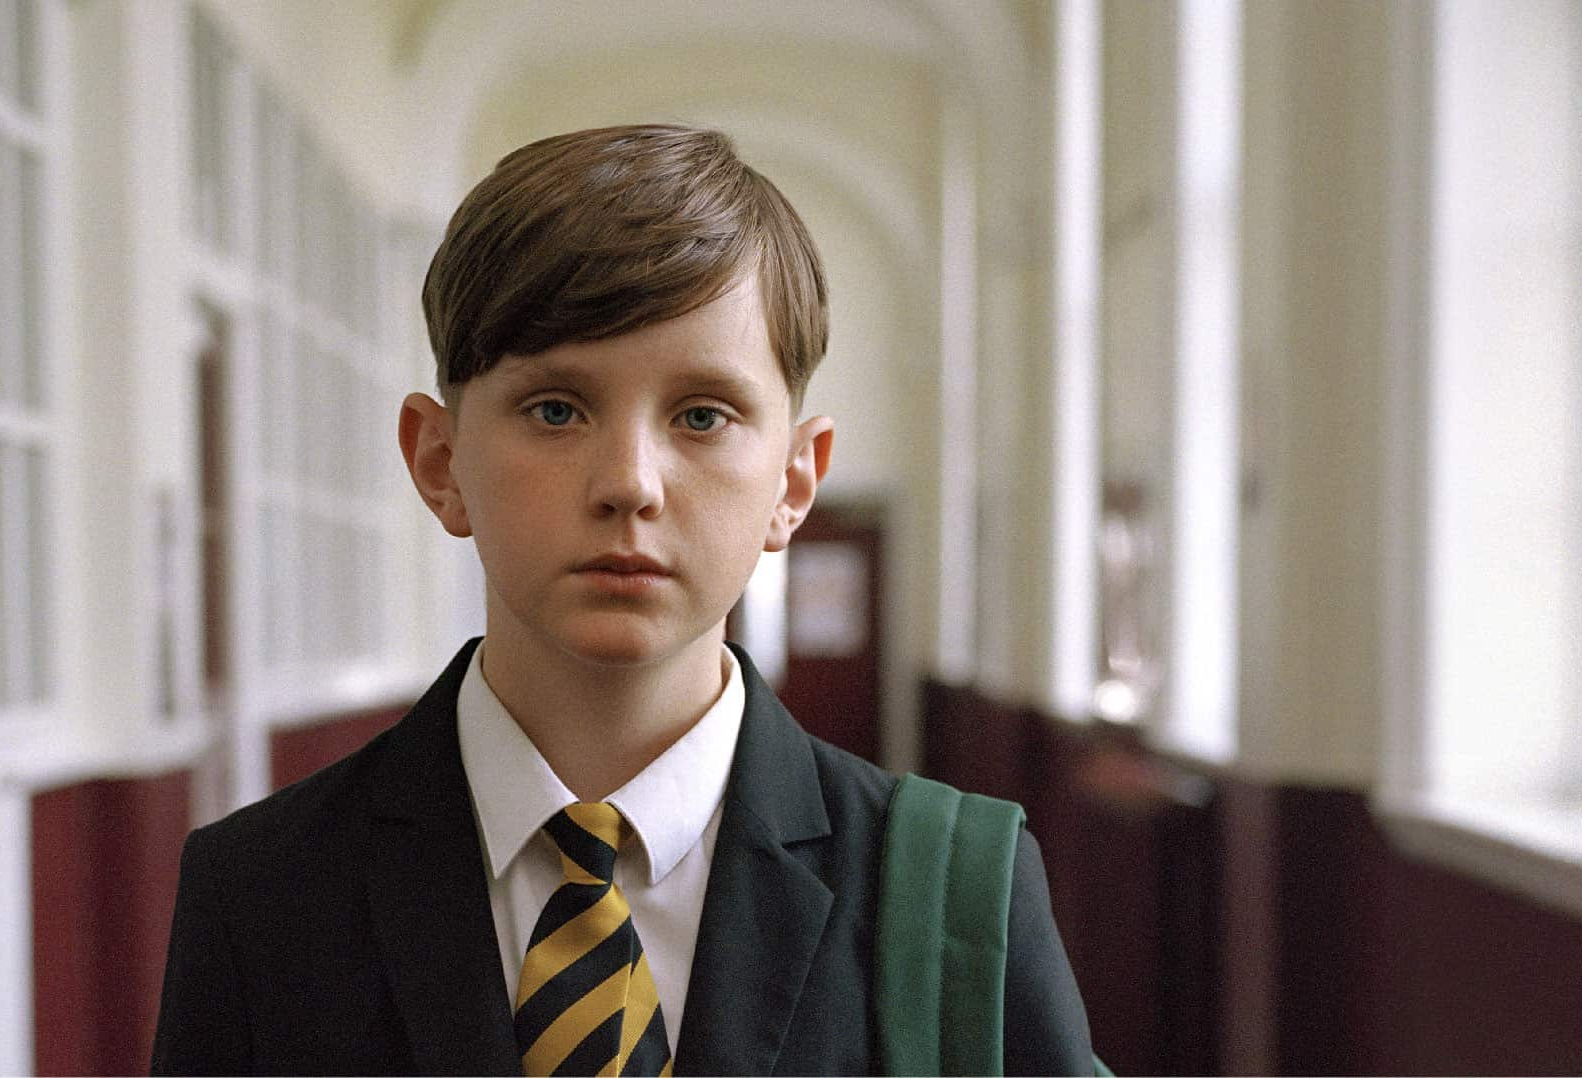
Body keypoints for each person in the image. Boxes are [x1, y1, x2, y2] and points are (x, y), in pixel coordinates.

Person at [150, 123, 1091, 1076]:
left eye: (702, 416)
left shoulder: (955, 895)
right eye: (556, 408)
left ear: (795, 481)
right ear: (441, 464)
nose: (630, 482)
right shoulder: (263, 895)